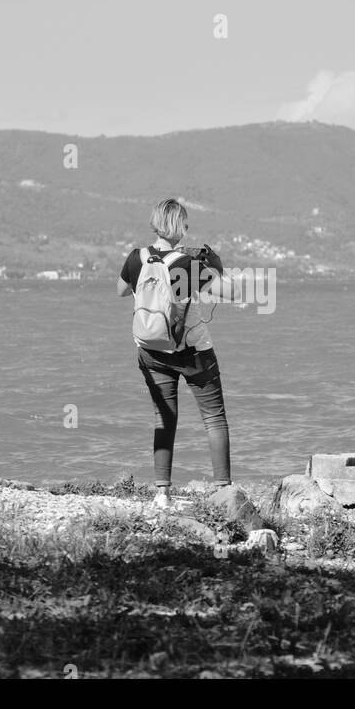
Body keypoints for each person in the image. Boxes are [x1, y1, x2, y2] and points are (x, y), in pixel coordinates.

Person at [116, 198, 233, 509]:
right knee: (214, 419)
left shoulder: (137, 257)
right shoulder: (186, 264)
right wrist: (214, 263)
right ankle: (223, 490)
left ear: (155, 223)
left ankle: (162, 493)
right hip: (192, 351)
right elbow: (230, 291)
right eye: (185, 223)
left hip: (151, 349)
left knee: (164, 419)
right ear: (179, 226)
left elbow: (121, 290)